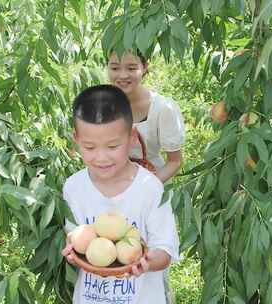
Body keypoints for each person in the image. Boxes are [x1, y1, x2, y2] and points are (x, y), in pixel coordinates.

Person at [61, 84, 180, 304]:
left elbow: (165, 251)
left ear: (132, 137)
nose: (101, 157)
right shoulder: (73, 188)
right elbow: (76, 239)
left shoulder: (150, 188)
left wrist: (145, 261)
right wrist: (72, 251)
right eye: (89, 147)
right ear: (76, 139)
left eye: (113, 146)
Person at [106, 51, 185, 183]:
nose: (123, 75)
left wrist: (144, 190)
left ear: (144, 67)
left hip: (152, 184)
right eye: (115, 68)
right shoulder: (100, 104)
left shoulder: (162, 108)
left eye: (131, 68)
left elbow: (175, 161)